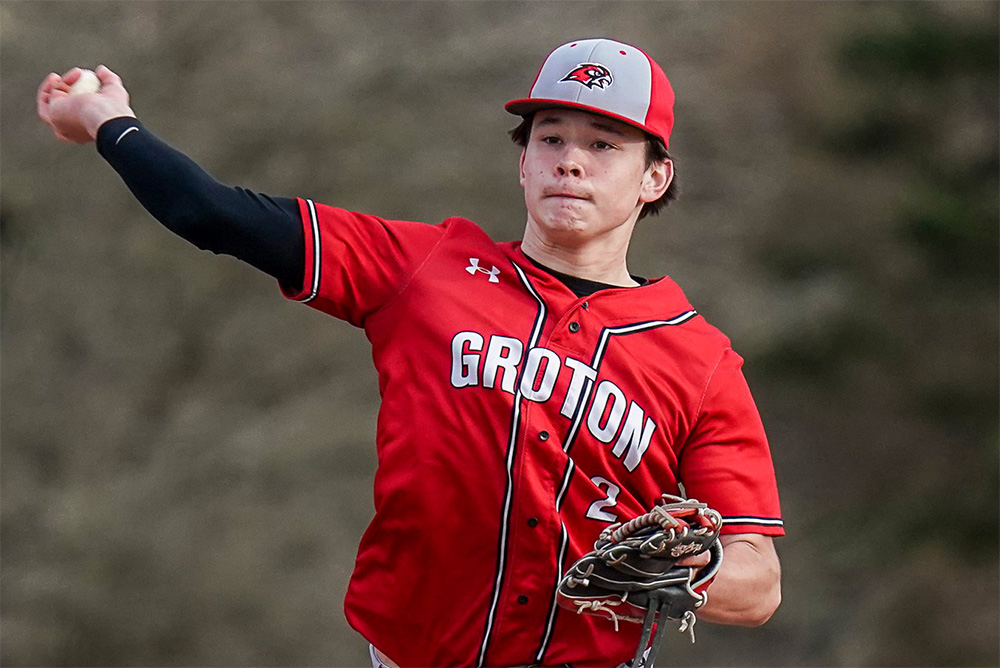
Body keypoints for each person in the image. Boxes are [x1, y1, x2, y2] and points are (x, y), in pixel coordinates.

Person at [38, 38, 783, 668]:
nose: (569, 161)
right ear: (522, 163)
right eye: (549, 137)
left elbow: (759, 586)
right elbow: (210, 212)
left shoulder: (699, 361)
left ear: (656, 177)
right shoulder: (427, 268)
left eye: (603, 144)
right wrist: (110, 121)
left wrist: (690, 572)